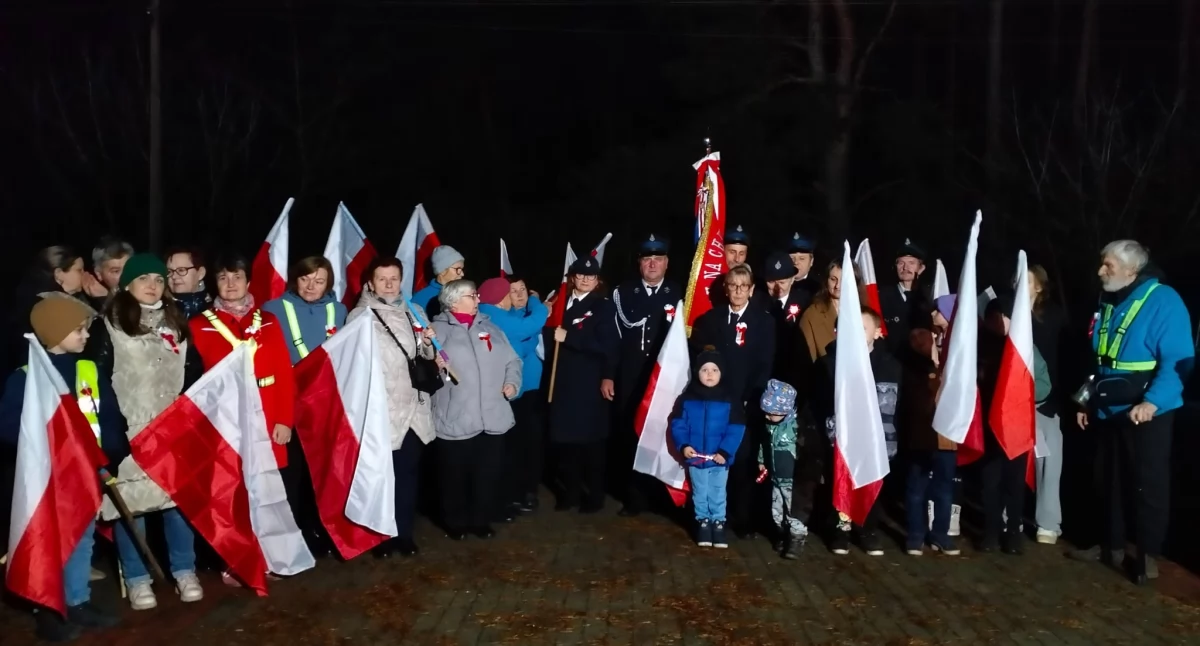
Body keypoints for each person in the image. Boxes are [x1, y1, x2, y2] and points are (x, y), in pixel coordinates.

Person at [0, 296, 125, 641]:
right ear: (54, 333)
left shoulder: (89, 370)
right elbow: (9, 427)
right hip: (46, 481)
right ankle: (47, 609)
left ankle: (77, 599)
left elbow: (110, 419)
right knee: (49, 542)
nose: (87, 335)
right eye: (79, 329)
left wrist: (108, 453)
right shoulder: (25, 379)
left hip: (85, 475)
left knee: (81, 540)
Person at [1072, 240, 1193, 583]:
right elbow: (1098, 359)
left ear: (1132, 269)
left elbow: (1178, 361)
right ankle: (1109, 544)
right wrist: (1085, 399)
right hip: (1108, 406)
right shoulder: (1108, 298)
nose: (1100, 271)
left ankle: (1147, 553)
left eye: (1107, 265)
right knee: (1106, 480)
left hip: (1147, 411)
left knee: (1146, 484)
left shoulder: (1164, 302)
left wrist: (1153, 402)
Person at [97, 253, 203, 610]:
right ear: (127, 284)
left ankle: (184, 569)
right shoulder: (108, 325)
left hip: (173, 427)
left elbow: (193, 372)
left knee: (178, 503)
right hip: (133, 430)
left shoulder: (176, 320)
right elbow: (99, 383)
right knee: (135, 506)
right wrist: (113, 435)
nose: (153, 285)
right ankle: (138, 577)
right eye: (144, 279)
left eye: (158, 280)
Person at [346, 257, 439, 557]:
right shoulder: (360, 317)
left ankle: (405, 533)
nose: (389, 284)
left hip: (413, 408)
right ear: (370, 282)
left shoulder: (415, 310)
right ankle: (380, 537)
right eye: (382, 278)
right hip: (381, 411)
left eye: (394, 278)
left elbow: (427, 354)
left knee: (408, 473)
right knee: (381, 477)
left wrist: (428, 342)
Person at [429, 279, 522, 539]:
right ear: (454, 300)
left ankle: (480, 520)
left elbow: (512, 360)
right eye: (473, 295)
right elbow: (425, 367)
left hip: (493, 416)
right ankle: (454, 522)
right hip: (456, 418)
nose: (478, 300)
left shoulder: (490, 327)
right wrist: (430, 359)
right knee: (454, 477)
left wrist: (512, 383)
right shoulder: (436, 331)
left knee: (487, 474)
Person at [689, 264, 775, 539]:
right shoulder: (711, 320)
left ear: (751, 289)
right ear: (725, 289)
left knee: (742, 461)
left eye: (743, 286)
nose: (737, 290)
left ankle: (743, 519)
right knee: (715, 460)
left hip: (746, 403)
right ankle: (713, 516)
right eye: (732, 285)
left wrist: (752, 397)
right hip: (716, 403)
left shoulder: (764, 321)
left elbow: (765, 363)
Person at [608, 234, 681, 517]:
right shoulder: (624, 293)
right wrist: (608, 375)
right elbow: (613, 340)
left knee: (662, 437)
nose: (652, 264)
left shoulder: (677, 294)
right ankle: (633, 497)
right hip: (630, 378)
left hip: (664, 380)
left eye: (658, 259)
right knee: (631, 435)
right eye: (647, 259)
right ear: (639, 263)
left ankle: (660, 497)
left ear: (666, 263)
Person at [822, 305, 901, 556]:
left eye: (863, 328)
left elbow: (892, 403)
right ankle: (840, 530)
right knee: (842, 481)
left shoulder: (889, 365)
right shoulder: (830, 362)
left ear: (877, 332)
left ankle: (867, 529)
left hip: (875, 436)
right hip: (843, 437)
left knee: (871, 482)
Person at [977, 295, 1050, 556]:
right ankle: (991, 533)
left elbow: (1044, 385)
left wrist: (1021, 391)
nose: (999, 322)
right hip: (989, 424)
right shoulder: (980, 346)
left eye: (1004, 317)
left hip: (1016, 427)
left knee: (1014, 484)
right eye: (993, 318)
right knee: (990, 482)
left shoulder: (1024, 347)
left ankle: (1014, 534)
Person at [547, 256, 619, 513]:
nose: (587, 279)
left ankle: (595, 496)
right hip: (562, 384)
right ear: (573, 277)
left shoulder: (603, 307)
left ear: (597, 280)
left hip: (588, 384)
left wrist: (571, 337)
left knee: (592, 445)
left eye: (592, 276)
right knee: (566, 445)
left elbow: (607, 346)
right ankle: (570, 494)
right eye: (581, 275)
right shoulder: (558, 304)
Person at [477, 275, 549, 515]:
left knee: (529, 443)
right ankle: (510, 494)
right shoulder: (502, 318)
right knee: (512, 445)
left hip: (529, 390)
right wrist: (537, 303)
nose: (518, 295)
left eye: (523, 290)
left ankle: (525, 491)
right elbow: (518, 345)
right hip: (509, 392)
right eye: (512, 291)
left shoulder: (511, 317)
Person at [671, 347, 745, 549]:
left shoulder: (729, 399)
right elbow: (678, 424)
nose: (709, 374)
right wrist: (684, 445)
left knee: (718, 490)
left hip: (719, 459)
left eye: (714, 370)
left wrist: (725, 451)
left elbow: (736, 428)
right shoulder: (687, 398)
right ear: (697, 373)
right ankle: (703, 521)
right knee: (700, 490)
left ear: (722, 373)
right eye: (704, 370)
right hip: (696, 457)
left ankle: (718, 523)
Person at [903, 295, 960, 556]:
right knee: (917, 485)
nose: (934, 313)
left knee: (944, 486)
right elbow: (916, 340)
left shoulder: (962, 345)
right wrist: (934, 351)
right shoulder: (925, 338)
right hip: (922, 429)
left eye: (941, 310)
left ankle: (940, 535)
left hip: (947, 432)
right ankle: (915, 535)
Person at [1026, 264, 1067, 545]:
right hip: (1013, 404)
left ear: (1039, 286)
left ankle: (1048, 523)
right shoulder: (1003, 315)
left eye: (1026, 281)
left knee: (1048, 463)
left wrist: (1057, 400)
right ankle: (1010, 516)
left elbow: (1064, 360)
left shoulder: (1054, 319)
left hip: (1046, 403)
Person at [758, 379, 806, 559]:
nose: (768, 417)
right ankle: (782, 533)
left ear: (785, 410)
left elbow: (805, 451)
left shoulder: (795, 428)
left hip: (792, 479)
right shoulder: (770, 426)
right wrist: (762, 460)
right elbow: (765, 444)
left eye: (772, 413)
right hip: (776, 477)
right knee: (777, 509)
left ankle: (796, 538)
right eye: (766, 413)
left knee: (794, 509)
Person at [879, 238, 929, 364]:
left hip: (922, 368)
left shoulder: (929, 298)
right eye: (900, 263)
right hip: (889, 366)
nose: (905, 267)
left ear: (921, 268)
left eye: (911, 263)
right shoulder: (882, 297)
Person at [412, 245, 465, 317]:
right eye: (457, 269)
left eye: (462, 269)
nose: (462, 274)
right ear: (442, 271)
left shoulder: (465, 293)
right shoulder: (421, 299)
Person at [164, 246, 211, 320]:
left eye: (181, 270)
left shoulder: (215, 310)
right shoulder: (158, 311)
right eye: (169, 271)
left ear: (201, 273)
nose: (174, 276)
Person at [785, 233, 821, 307]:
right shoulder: (776, 283)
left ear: (811, 261)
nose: (796, 262)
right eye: (792, 258)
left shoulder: (818, 289)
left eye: (802, 258)